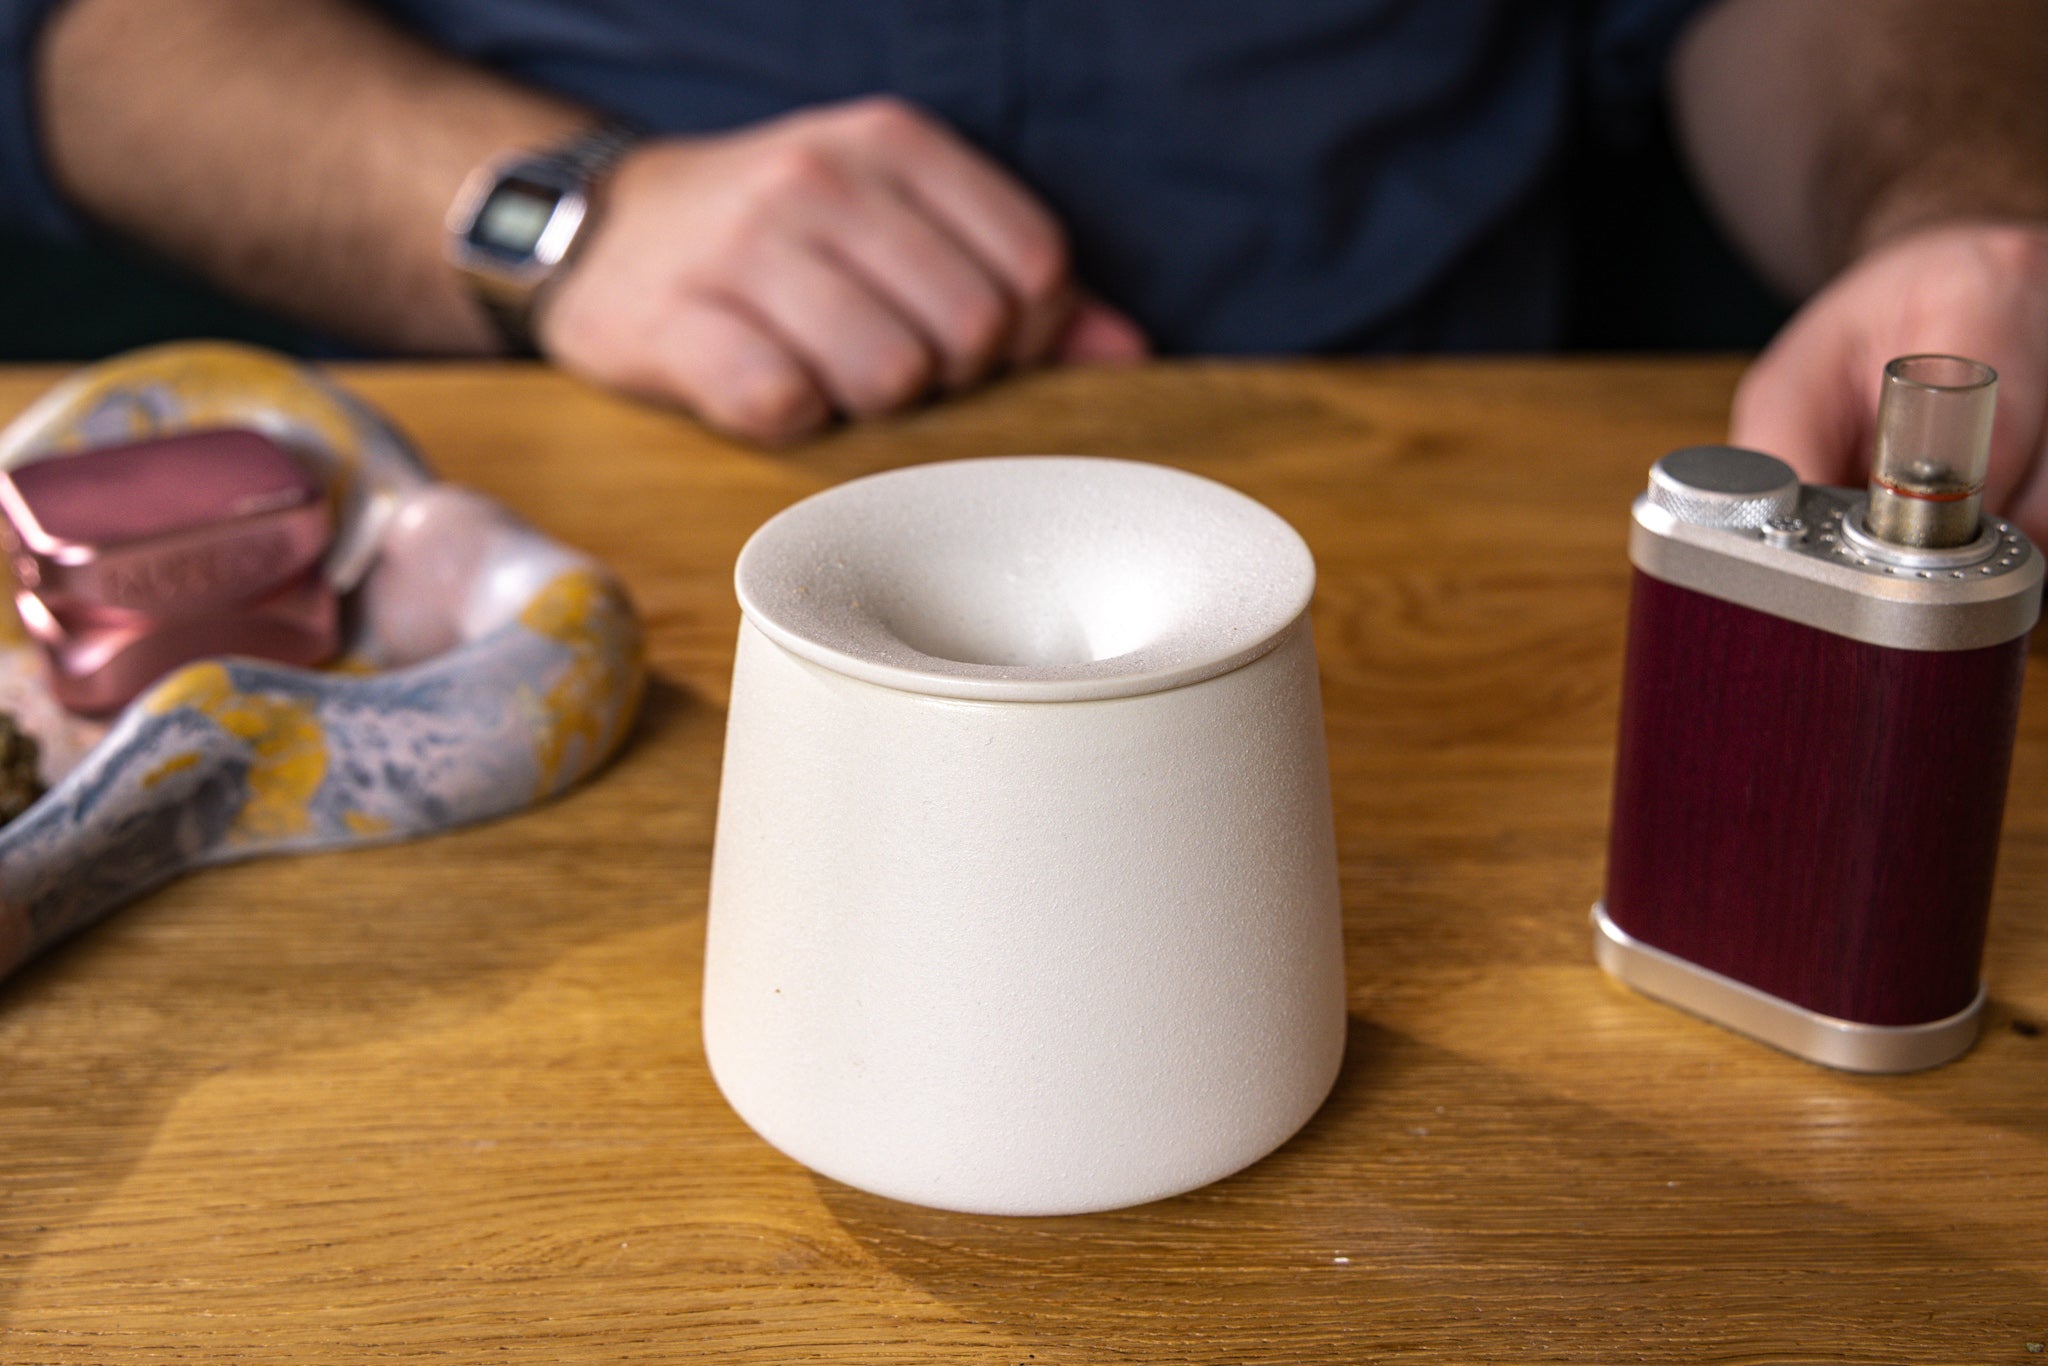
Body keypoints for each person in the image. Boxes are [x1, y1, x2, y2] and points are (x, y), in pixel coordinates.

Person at [4, 1, 2046, 533]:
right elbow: (85, 36)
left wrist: (1957, 204)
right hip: (523, 477)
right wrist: (553, 214)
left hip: (1434, 506)